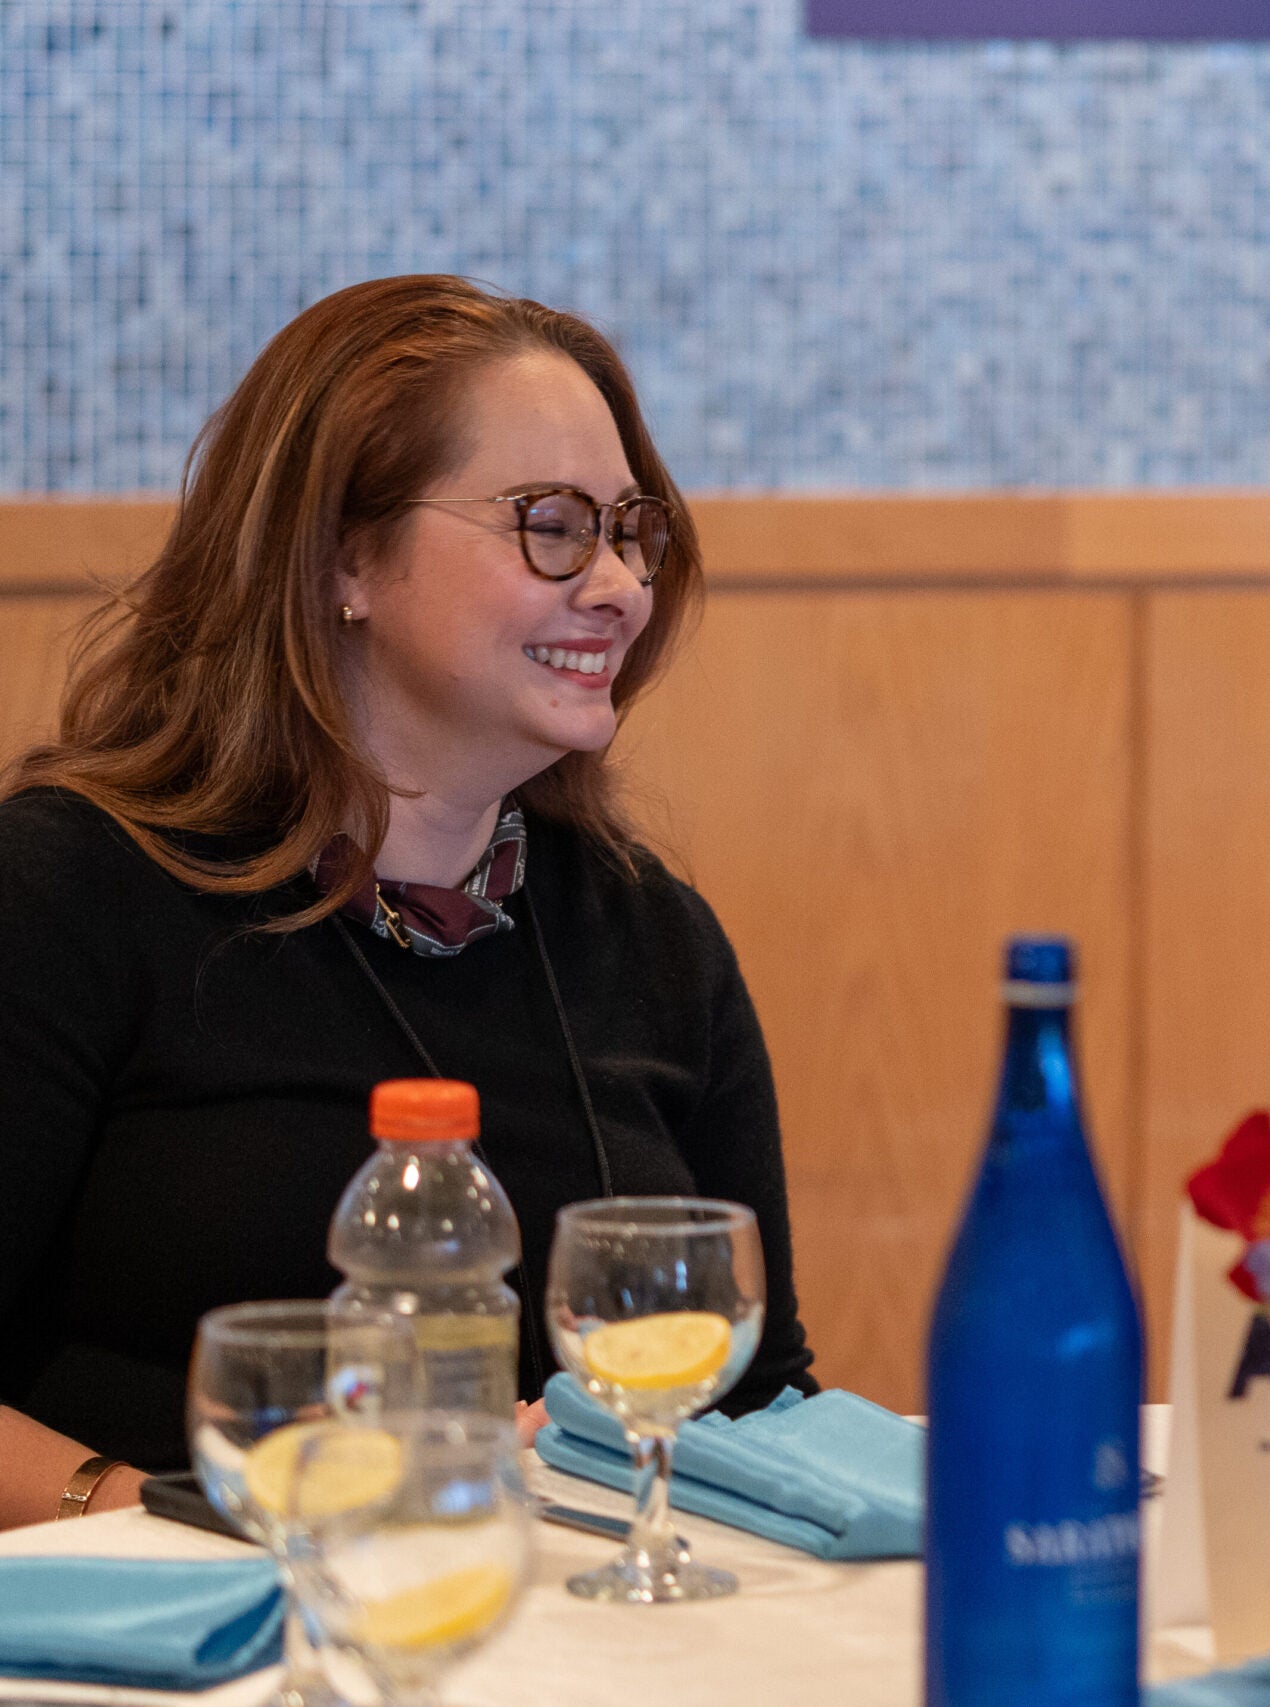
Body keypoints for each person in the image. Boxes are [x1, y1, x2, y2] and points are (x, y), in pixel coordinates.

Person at [0, 276, 816, 1526]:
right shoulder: (70, 890)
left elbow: (763, 1403)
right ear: (343, 558)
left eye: (631, 530)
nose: (618, 587)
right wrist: (166, 1517)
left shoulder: (651, 937)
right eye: (551, 523)